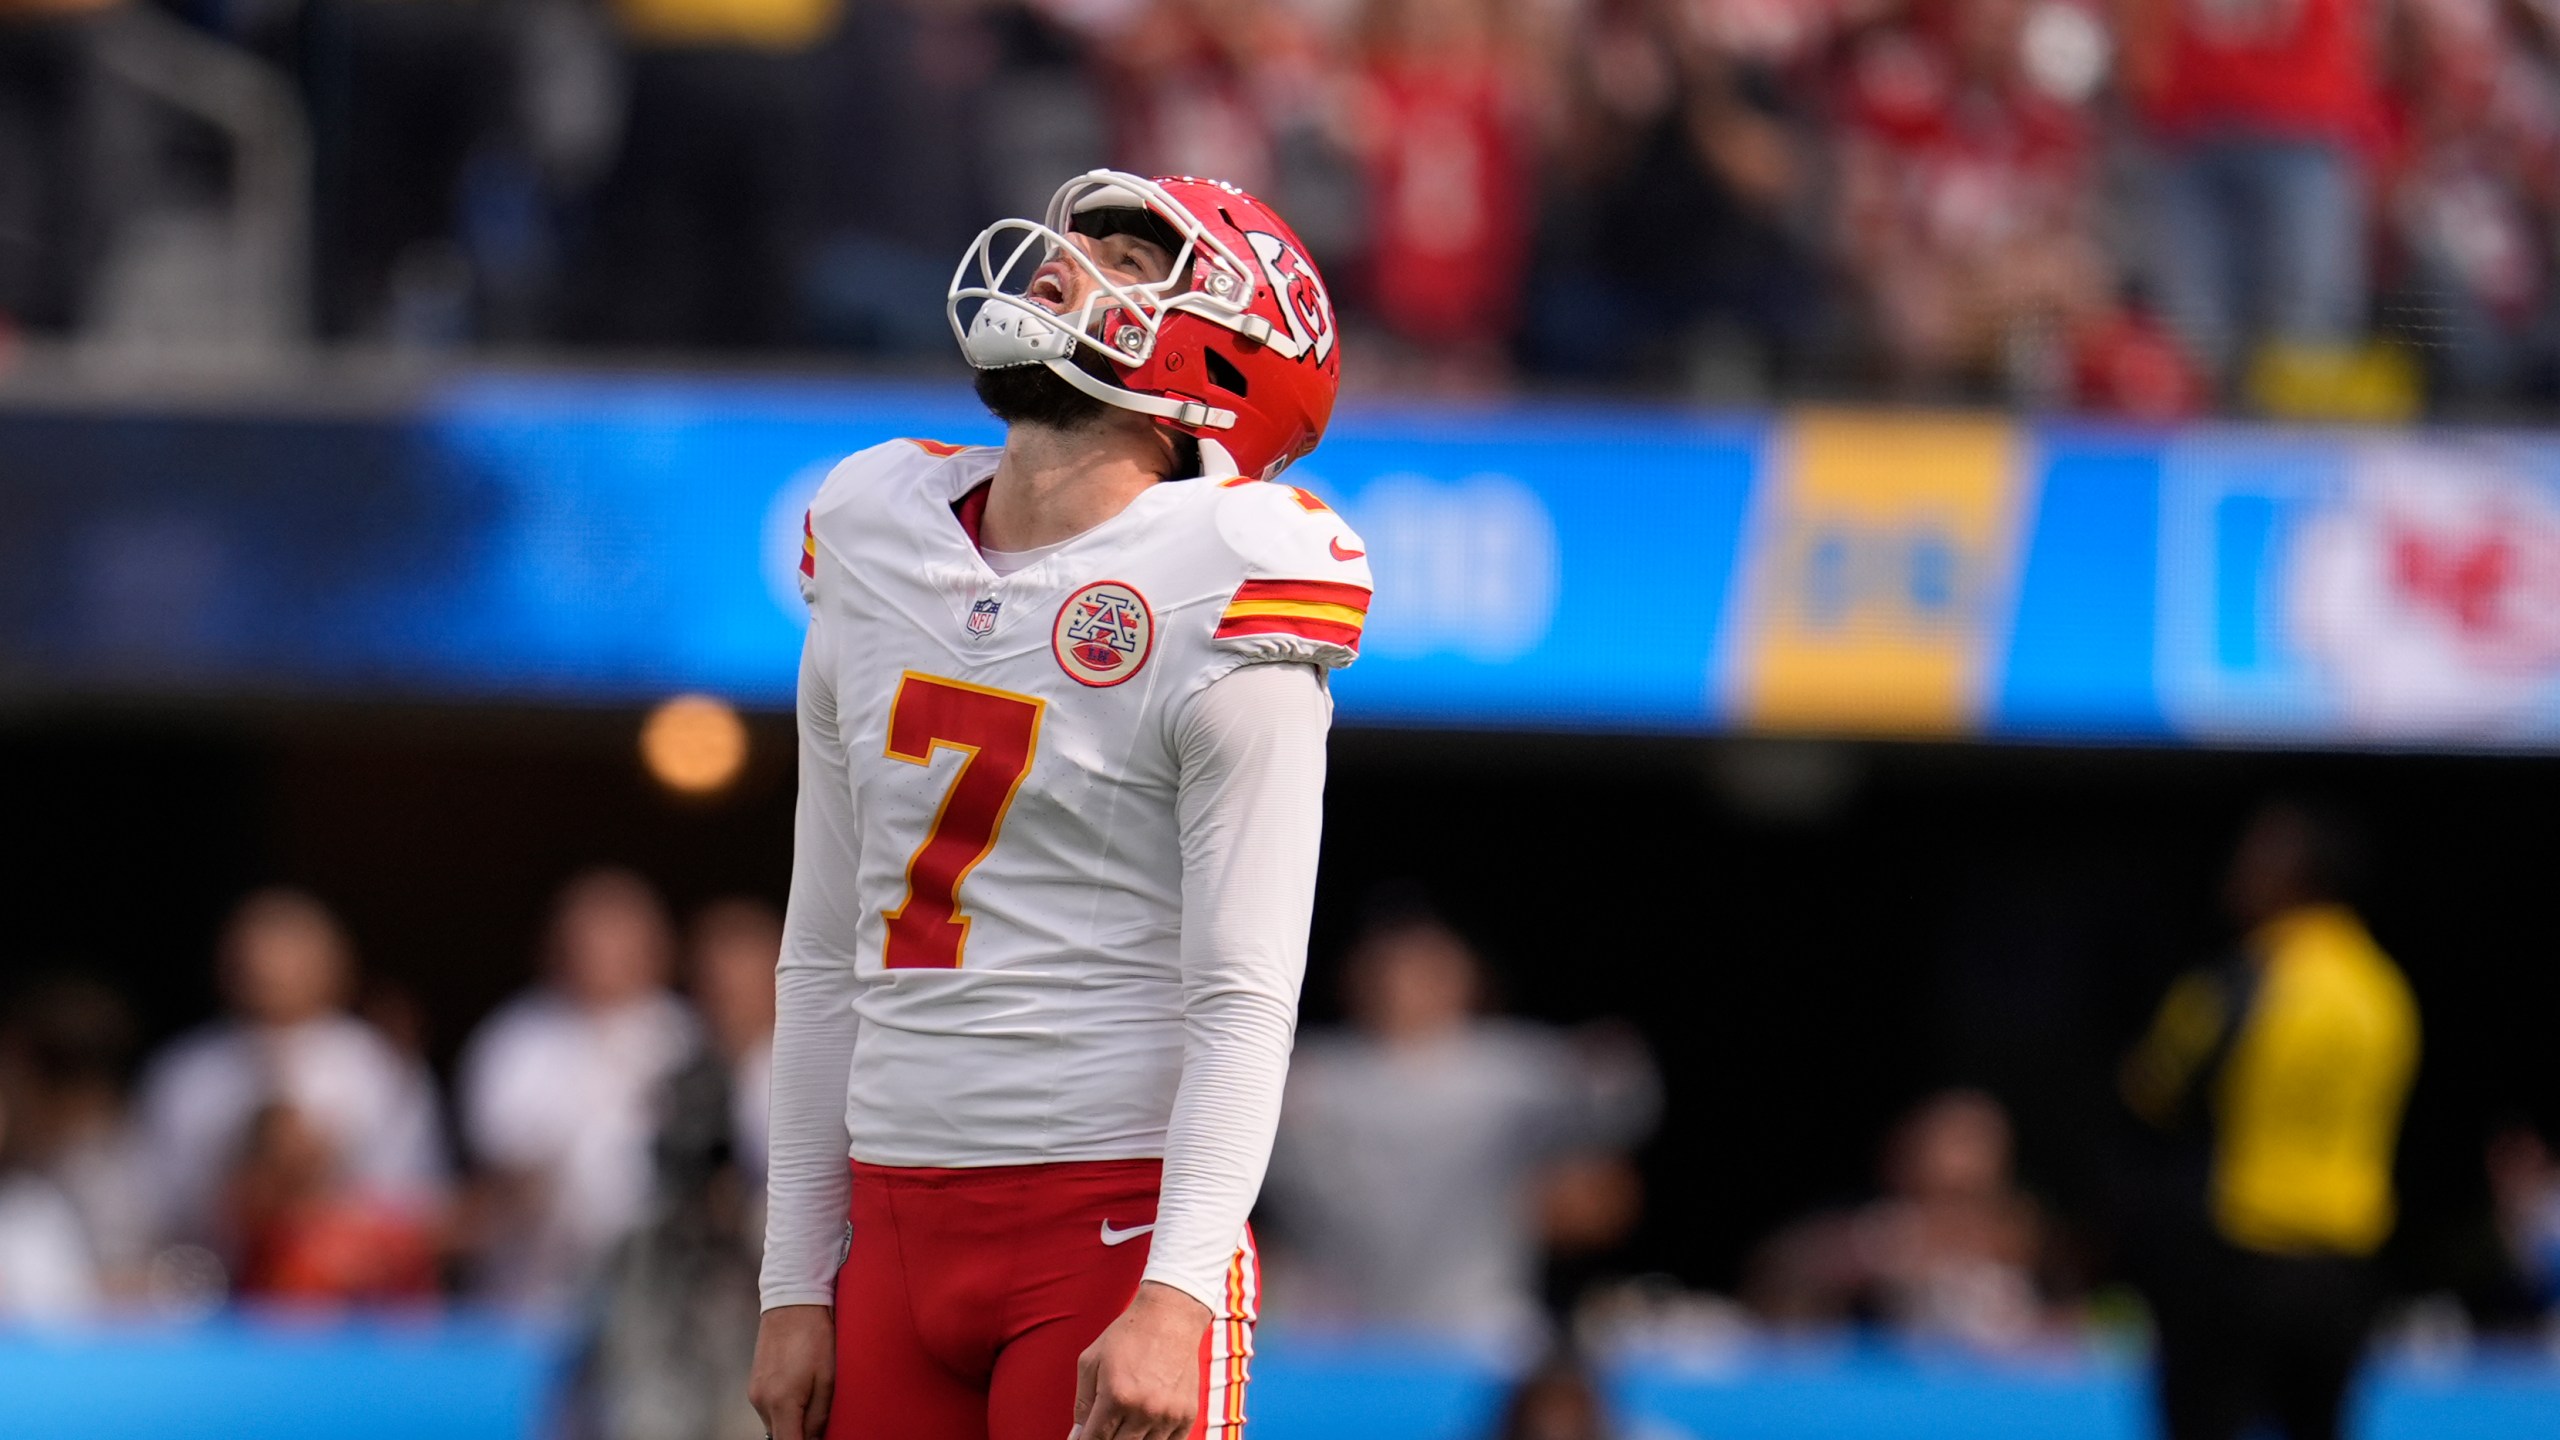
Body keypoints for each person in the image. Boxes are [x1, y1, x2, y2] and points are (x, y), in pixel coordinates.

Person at [750, 169, 1362, 1440]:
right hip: (891, 1216)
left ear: (1228, 361)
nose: (1065, 264)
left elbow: (1245, 991)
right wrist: (793, 1277)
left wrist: (1179, 1292)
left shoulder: (1229, 580)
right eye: (1075, 240)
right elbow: (820, 954)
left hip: (1108, 1224)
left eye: (1130, 258)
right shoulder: (877, 527)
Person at [2120, 801, 2420, 1440]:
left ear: (2294, 877)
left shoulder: (2240, 979)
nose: (2234, 875)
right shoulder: (2384, 991)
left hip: (2241, 1254)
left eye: (2253, 861)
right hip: (2346, 1267)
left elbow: (2154, 1091)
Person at [1262, 912, 1660, 1350]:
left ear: (1466, 978)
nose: (1405, 983)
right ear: (1354, 978)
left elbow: (1623, 1101)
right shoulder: (1307, 1076)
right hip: (1334, 1330)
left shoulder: (1511, 1069)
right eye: (1391, 968)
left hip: (1477, 1324)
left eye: (1429, 969)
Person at [134, 889, 447, 1253]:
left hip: (360, 1290)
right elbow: (160, 1206)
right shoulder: (185, 1072)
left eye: (288, 952)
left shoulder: (379, 1065)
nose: (267, 969)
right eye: (254, 953)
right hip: (216, 1288)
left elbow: (418, 1201)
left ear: (334, 962)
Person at [459, 867, 699, 1310]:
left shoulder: (687, 1041)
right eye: (589, 940)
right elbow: (500, 1176)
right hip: (536, 1294)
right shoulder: (516, 1040)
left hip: (659, 1296)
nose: (602, 954)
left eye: (620, 938)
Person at [1745, 1088, 2064, 1349]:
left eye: (1982, 1142)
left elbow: (2063, 1325)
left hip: (2004, 1401)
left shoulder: (2028, 1236)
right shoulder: (1883, 1230)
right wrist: (1870, 1254)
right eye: (1957, 1142)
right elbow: (1783, 1270)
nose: (1968, 1161)